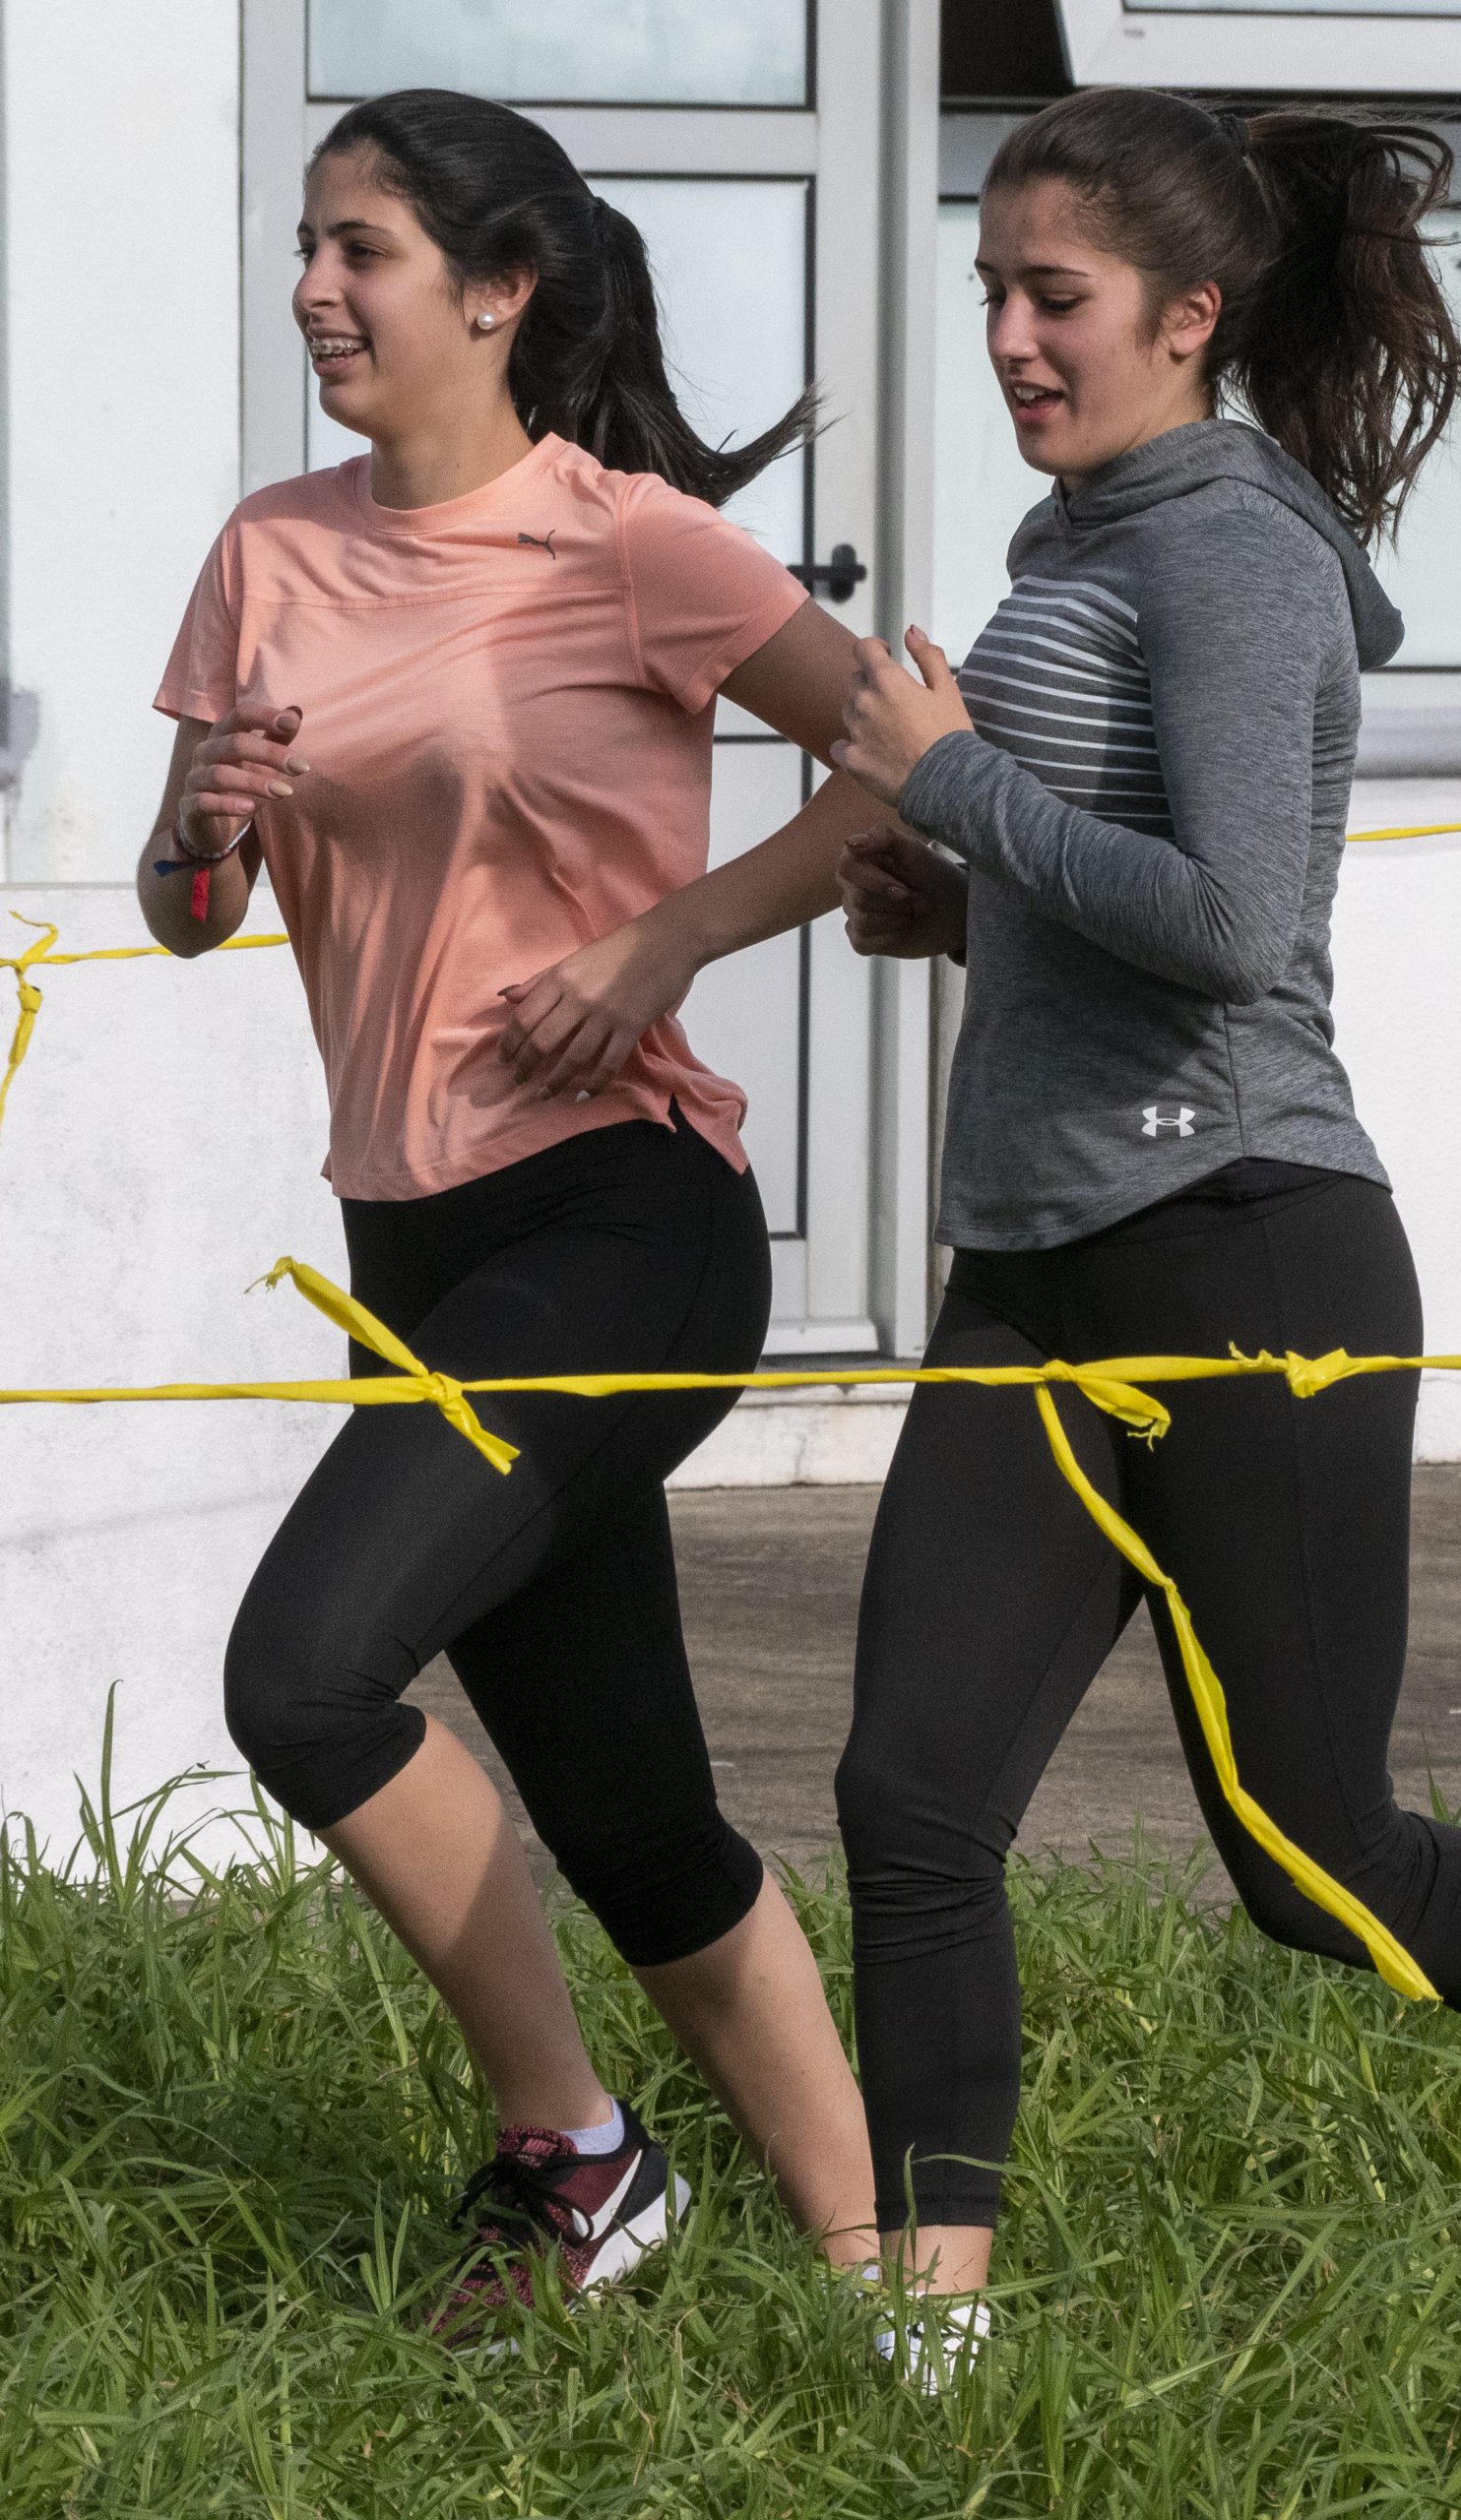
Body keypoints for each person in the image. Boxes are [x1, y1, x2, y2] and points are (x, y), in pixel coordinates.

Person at [831, 89, 1461, 2360]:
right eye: (992, 290)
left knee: (1307, 1854)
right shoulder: (1084, 532)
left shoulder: (1233, 555)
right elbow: (1122, 893)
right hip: (1040, 1263)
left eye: (1056, 297)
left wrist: (947, 777)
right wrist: (958, 902)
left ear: (1191, 314)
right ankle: (930, 2353)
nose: (1009, 337)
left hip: (1244, 1246)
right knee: (908, 1792)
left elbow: (1236, 922)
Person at [138, 89, 878, 2333]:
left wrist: (666, 940)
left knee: (302, 1679)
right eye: (305, 244)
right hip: (418, 1239)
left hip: (625, 1219)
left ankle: (578, 2158)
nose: (311, 289)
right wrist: (200, 830)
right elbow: (187, 909)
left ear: (496, 289)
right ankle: (895, 2298)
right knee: (635, 1811)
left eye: (357, 249)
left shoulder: (629, 542)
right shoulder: (268, 550)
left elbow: (908, 761)